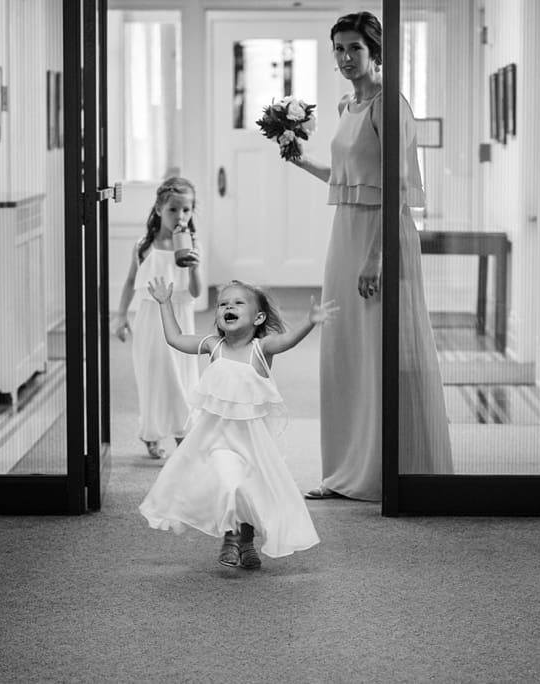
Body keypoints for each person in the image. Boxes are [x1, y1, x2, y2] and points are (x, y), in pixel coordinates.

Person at [288, 11, 452, 501]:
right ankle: (345, 471)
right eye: (338, 48)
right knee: (346, 351)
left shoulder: (389, 103)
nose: (344, 58)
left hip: (379, 237)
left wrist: (376, 258)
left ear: (374, 51)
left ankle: (387, 472)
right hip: (346, 234)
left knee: (381, 348)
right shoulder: (347, 105)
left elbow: (395, 188)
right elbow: (346, 178)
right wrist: (299, 158)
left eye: (354, 48)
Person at [138, 277, 336, 569]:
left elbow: (286, 341)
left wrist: (310, 322)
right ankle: (230, 538)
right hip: (218, 440)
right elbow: (176, 339)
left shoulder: (261, 348)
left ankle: (246, 542)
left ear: (258, 317)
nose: (227, 307)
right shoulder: (214, 346)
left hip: (253, 441)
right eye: (222, 304)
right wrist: (165, 303)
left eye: (237, 303)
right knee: (229, 483)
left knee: (250, 491)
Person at [114, 177, 202, 460]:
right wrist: (120, 316)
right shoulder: (145, 245)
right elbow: (130, 281)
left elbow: (196, 293)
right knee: (155, 376)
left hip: (180, 318)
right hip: (151, 319)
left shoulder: (191, 244)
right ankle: (150, 431)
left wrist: (195, 266)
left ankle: (181, 430)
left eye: (186, 210)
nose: (181, 216)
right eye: (173, 210)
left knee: (181, 375)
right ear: (159, 209)